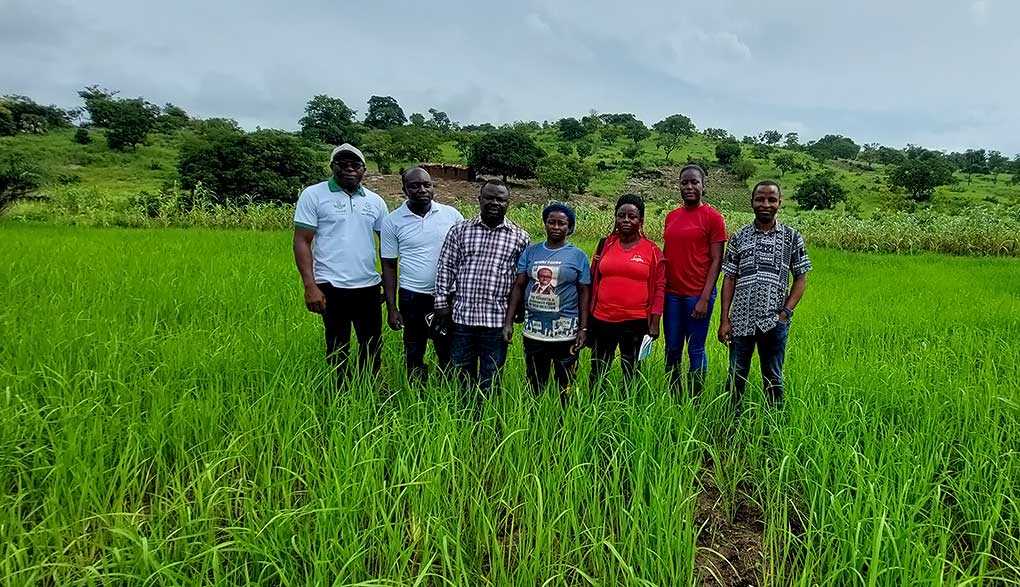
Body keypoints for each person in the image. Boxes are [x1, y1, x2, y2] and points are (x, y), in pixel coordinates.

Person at [293, 144, 389, 382]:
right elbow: (302, 241)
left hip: (368, 287)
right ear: (332, 166)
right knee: (337, 346)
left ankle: (368, 392)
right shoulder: (314, 195)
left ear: (364, 170)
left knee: (372, 345)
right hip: (331, 286)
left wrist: (388, 287)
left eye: (355, 165)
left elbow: (387, 246)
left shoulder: (375, 202)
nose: (349, 169)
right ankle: (340, 396)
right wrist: (310, 286)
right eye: (342, 164)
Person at [434, 180, 530, 411]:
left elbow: (522, 280)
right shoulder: (460, 230)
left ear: (508, 203)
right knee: (461, 370)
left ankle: (485, 419)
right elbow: (445, 267)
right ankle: (463, 416)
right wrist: (441, 304)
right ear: (479, 199)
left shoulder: (520, 237)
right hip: (462, 317)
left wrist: (519, 310)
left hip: (496, 320)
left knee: (491, 374)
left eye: (500, 199)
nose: (494, 203)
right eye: (489, 198)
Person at [718, 180, 811, 410]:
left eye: (771, 199)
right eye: (760, 199)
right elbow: (729, 278)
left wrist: (786, 313)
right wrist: (724, 319)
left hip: (774, 322)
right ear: (752, 202)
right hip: (741, 321)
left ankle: (774, 427)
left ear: (779, 203)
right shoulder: (739, 237)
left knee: (773, 378)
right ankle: (731, 424)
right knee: (735, 377)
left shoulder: (791, 237)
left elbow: (801, 278)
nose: (765, 204)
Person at [380, 167, 464, 385]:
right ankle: (418, 394)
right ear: (404, 189)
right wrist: (392, 308)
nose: (422, 190)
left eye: (427, 185)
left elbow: (466, 257)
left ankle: (449, 393)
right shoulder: (392, 221)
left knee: (448, 350)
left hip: (448, 296)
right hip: (412, 296)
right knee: (414, 350)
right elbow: (389, 265)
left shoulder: (451, 215)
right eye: (414, 186)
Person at [503, 203, 590, 400]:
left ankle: (564, 420)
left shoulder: (578, 256)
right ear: (545, 223)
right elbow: (519, 285)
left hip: (565, 331)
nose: (556, 227)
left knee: (565, 383)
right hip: (534, 331)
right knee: (535, 381)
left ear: (570, 227)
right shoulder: (531, 252)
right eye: (551, 222)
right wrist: (508, 322)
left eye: (562, 223)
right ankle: (535, 419)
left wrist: (584, 329)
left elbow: (585, 292)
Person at [587, 194, 666, 390]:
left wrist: (654, 322)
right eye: (621, 216)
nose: (626, 220)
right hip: (602, 319)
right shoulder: (604, 245)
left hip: (635, 321)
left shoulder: (652, 251)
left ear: (641, 220)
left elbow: (659, 287)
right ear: (615, 218)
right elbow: (593, 278)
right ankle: (594, 405)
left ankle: (628, 407)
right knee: (598, 368)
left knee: (631, 370)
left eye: (632, 216)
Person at [662, 164, 727, 397]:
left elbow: (716, 260)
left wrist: (704, 297)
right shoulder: (671, 217)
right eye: (684, 183)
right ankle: (673, 395)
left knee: (696, 348)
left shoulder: (713, 218)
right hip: (671, 294)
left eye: (694, 182)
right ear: (678, 186)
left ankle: (695, 398)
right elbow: (667, 253)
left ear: (703, 186)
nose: (689, 187)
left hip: (697, 295)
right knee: (672, 348)